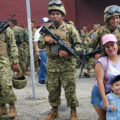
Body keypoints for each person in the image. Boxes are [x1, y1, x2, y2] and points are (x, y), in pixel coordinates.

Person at [38, 0, 82, 119]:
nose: (55, 16)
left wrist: (69, 53)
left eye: (58, 13)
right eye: (53, 14)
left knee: (70, 90)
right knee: (52, 89)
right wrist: (45, 40)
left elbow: (79, 46)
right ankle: (54, 111)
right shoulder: (47, 29)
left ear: (62, 15)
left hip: (67, 65)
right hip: (52, 64)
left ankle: (73, 112)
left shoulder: (70, 28)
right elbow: (40, 45)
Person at [91, 34, 120, 120]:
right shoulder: (101, 62)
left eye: (112, 45)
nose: (110, 48)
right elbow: (100, 82)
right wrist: (104, 99)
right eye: (107, 46)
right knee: (103, 118)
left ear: (117, 45)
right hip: (101, 94)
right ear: (104, 49)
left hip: (117, 93)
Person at [0, 27, 19, 117]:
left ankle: (12, 107)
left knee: (5, 84)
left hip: (3, 62)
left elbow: (12, 45)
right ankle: (2, 108)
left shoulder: (6, 29)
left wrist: (15, 61)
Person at [34, 17, 51, 84]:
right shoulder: (39, 31)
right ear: (43, 23)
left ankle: (42, 79)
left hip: (48, 50)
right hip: (41, 50)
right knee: (44, 65)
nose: (48, 23)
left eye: (48, 22)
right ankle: (42, 79)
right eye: (46, 22)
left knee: (44, 65)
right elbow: (35, 41)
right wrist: (37, 51)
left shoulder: (49, 30)